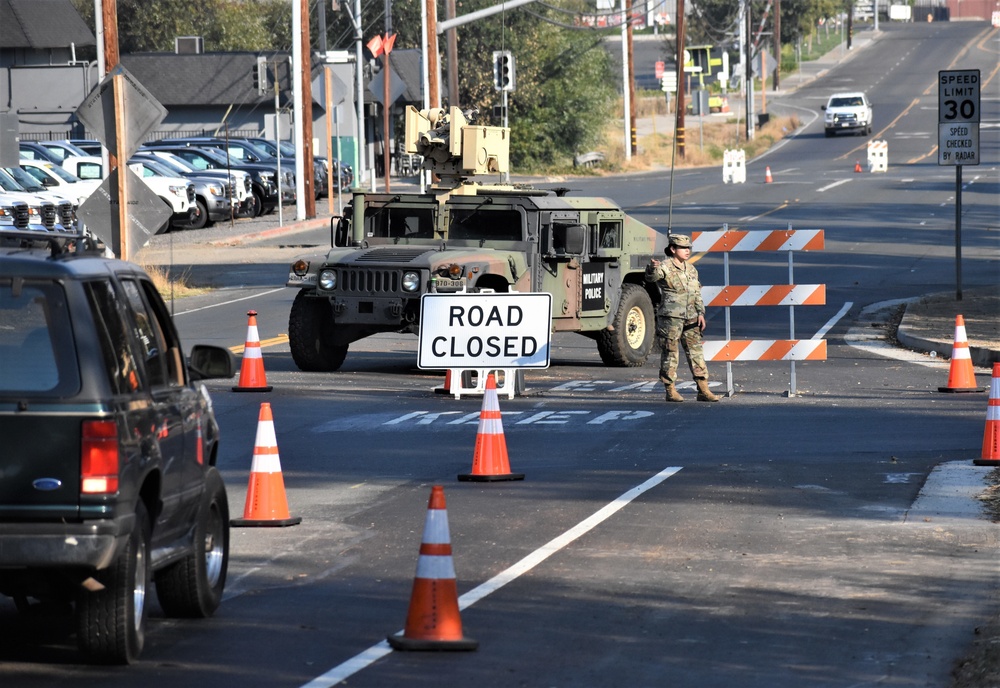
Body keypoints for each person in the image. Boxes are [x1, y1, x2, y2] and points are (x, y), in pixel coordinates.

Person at [644, 234, 720, 403]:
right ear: (673, 249)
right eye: (683, 248)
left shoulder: (691, 269)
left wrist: (701, 313)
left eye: (688, 248)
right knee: (671, 353)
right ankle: (670, 390)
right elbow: (652, 277)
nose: (687, 251)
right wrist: (651, 268)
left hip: (691, 317)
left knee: (696, 353)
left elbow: (697, 293)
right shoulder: (665, 266)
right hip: (671, 318)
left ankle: (703, 389)